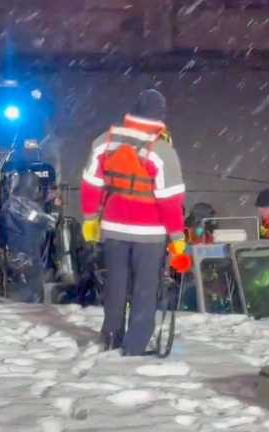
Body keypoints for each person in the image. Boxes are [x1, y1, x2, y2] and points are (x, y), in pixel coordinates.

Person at [80, 89, 187, 356]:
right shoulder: (161, 152)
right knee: (145, 290)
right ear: (160, 117)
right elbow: (170, 202)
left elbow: (90, 185)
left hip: (114, 230)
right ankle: (136, 345)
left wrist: (90, 220)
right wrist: (177, 242)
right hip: (150, 235)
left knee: (115, 285)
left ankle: (112, 336)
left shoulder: (104, 142)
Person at [0, 171, 57, 303]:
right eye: (36, 186)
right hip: (21, 255)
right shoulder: (16, 204)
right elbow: (37, 218)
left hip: (30, 254)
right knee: (28, 296)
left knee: (35, 293)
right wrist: (49, 217)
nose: (37, 190)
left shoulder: (23, 203)